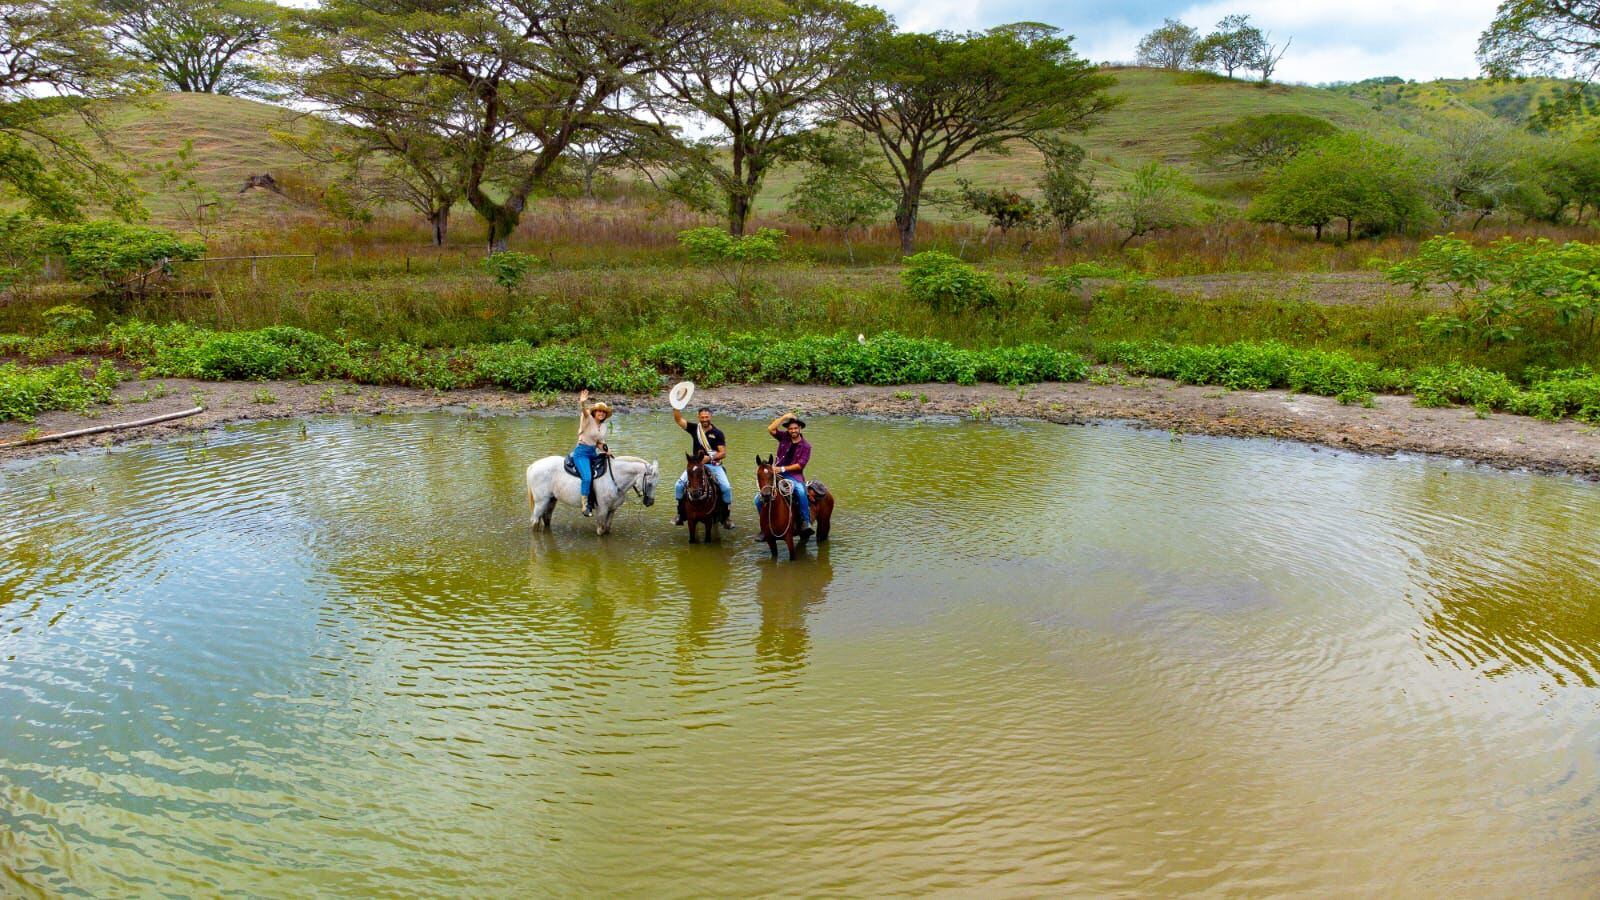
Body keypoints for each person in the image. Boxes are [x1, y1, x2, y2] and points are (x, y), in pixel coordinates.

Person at [672, 406, 734, 528]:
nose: (705, 419)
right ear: (698, 417)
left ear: (711, 417)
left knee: (726, 488)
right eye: (702, 417)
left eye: (706, 417)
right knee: (678, 485)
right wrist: (676, 406)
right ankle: (680, 514)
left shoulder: (718, 433)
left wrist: (709, 458)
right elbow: (679, 420)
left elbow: (723, 453)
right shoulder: (695, 429)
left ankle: (726, 517)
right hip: (696, 465)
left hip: (713, 465)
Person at [757, 411, 812, 539]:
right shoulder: (784, 437)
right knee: (757, 499)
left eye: (795, 428)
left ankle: (805, 521)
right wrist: (784, 417)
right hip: (776, 473)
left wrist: (781, 468)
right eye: (790, 428)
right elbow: (770, 429)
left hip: (794, 475)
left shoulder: (806, 446)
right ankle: (764, 526)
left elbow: (800, 465)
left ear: (800, 428)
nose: (793, 430)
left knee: (801, 492)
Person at [572, 389, 611, 517]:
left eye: (604, 412)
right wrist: (582, 403)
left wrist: (606, 450)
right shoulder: (588, 418)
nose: (601, 413)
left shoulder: (604, 426)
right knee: (587, 477)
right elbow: (584, 411)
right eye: (599, 411)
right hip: (581, 452)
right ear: (595, 412)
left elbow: (599, 443)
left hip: (593, 452)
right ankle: (585, 505)